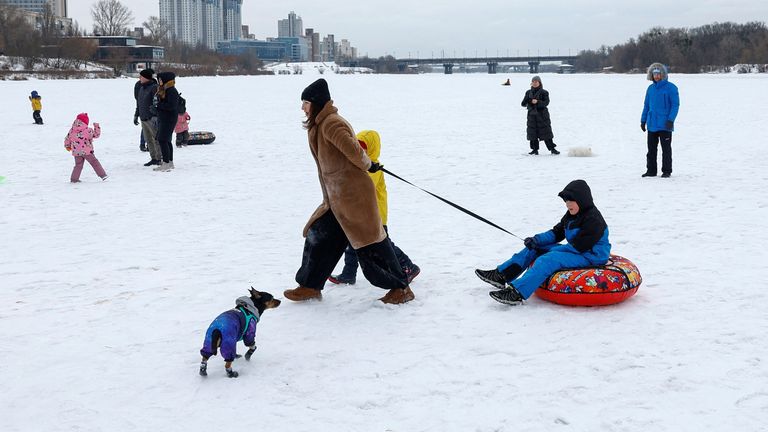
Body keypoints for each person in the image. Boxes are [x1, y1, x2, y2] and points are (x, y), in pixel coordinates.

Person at [284, 78, 415, 305]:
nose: (302, 107)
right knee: (319, 238)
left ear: (315, 102)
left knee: (372, 246)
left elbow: (354, 150)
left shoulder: (331, 123)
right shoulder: (319, 124)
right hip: (336, 199)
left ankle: (400, 288)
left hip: (354, 198)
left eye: (305, 102)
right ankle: (310, 286)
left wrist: (369, 164)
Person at [475, 179, 610, 305]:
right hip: (576, 251)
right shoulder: (571, 215)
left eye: (571, 200)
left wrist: (554, 250)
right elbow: (556, 233)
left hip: (591, 256)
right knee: (534, 248)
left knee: (548, 259)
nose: (567, 204)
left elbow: (579, 246)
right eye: (566, 201)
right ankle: (501, 275)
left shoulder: (594, 219)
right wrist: (536, 240)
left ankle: (517, 293)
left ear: (582, 199)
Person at [328, 129, 420, 285]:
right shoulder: (359, 166)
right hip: (360, 215)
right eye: (358, 146)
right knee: (352, 242)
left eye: (364, 147)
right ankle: (348, 273)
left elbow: (360, 188)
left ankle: (409, 266)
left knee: (385, 245)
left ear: (371, 148)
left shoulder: (373, 169)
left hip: (375, 215)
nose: (360, 150)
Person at [641, 63, 679, 178]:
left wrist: (670, 120)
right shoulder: (650, 89)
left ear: (663, 74)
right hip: (652, 124)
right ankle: (651, 170)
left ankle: (667, 171)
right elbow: (646, 105)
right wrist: (643, 121)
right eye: (654, 74)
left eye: (658, 74)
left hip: (665, 124)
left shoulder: (671, 88)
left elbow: (675, 105)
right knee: (651, 149)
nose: (656, 76)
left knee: (666, 150)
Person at [521, 76, 559, 155]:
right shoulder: (528, 92)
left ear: (539, 83)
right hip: (531, 116)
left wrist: (537, 102)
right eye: (533, 82)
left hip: (542, 115)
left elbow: (546, 103)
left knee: (546, 132)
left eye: (536, 82)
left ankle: (552, 149)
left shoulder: (544, 92)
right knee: (532, 133)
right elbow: (523, 104)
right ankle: (534, 150)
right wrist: (530, 101)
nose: (534, 83)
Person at [64, 113, 107, 183]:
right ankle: (103, 175)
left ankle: (74, 179)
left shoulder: (72, 130)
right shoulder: (88, 130)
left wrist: (67, 146)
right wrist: (97, 126)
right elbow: (96, 135)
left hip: (76, 152)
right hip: (87, 151)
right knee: (94, 162)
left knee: (78, 165)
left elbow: (67, 138)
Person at [153, 71, 179, 172]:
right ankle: (170, 162)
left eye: (160, 79)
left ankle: (166, 163)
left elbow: (171, 106)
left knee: (162, 140)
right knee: (166, 140)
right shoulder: (164, 89)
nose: (159, 81)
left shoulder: (171, 90)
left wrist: (158, 106)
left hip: (169, 119)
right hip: (164, 117)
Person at [134, 69, 161, 166]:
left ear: (145, 77)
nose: (139, 78)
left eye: (141, 76)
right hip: (143, 117)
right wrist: (136, 115)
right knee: (148, 139)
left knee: (156, 139)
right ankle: (153, 158)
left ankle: (159, 158)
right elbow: (139, 103)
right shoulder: (141, 88)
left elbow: (158, 102)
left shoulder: (154, 87)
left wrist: (155, 114)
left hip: (152, 118)